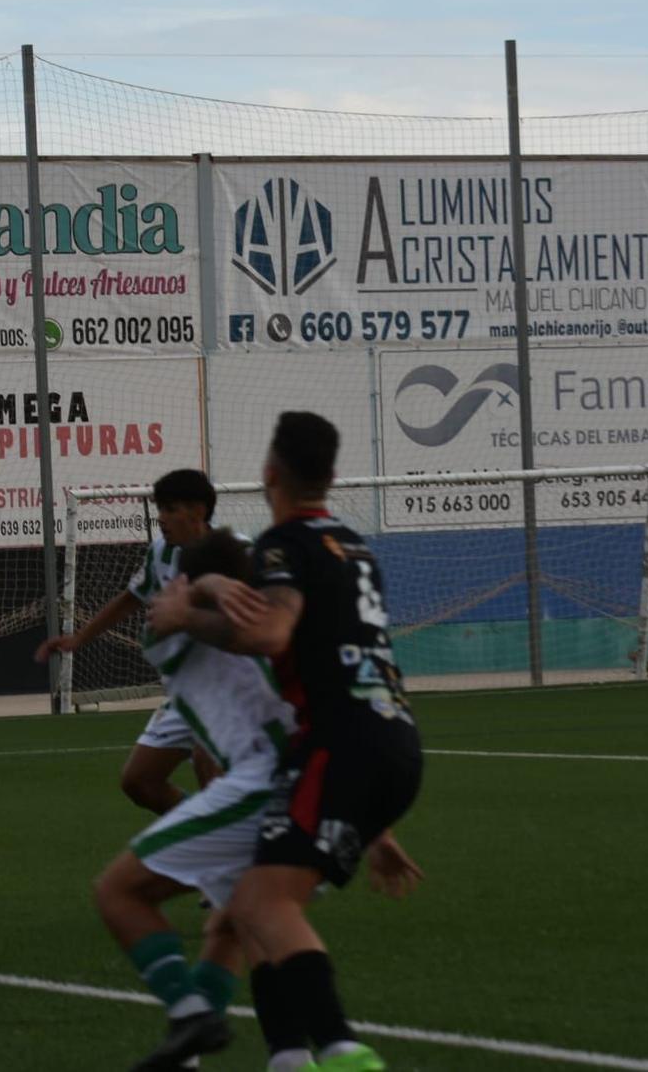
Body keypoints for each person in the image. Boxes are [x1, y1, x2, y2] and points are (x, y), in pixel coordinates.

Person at [151, 412, 422, 1071]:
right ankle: (288, 1057)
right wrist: (378, 827)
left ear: (271, 472)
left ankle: (340, 1045)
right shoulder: (355, 545)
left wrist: (189, 614)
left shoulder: (283, 544)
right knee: (252, 910)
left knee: (261, 904)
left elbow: (271, 635)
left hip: (336, 742)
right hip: (395, 737)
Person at [93, 529, 308, 1072]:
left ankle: (190, 1015)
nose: (158, 601)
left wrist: (193, 592)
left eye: (175, 584)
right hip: (310, 790)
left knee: (119, 892)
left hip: (265, 785)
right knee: (233, 925)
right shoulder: (275, 632)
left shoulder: (170, 638)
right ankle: (284, 1057)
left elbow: (172, 620)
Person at [38, 469, 226, 814]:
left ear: (198, 512)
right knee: (139, 782)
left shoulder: (235, 553)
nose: (162, 519)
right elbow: (131, 598)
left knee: (207, 761)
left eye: (170, 510)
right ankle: (204, 825)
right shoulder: (160, 554)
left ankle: (221, 844)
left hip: (227, 692)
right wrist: (80, 638)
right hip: (186, 694)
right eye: (160, 509)